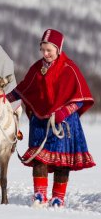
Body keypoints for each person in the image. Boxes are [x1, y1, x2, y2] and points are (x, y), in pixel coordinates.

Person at [7, 29, 95, 207]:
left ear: (58, 49)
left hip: (64, 123)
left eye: (49, 50)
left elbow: (80, 99)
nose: (45, 54)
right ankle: (39, 196)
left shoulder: (69, 68)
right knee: (40, 159)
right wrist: (4, 99)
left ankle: (58, 198)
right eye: (43, 50)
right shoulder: (36, 69)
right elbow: (24, 89)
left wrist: (63, 112)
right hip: (40, 122)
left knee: (62, 162)